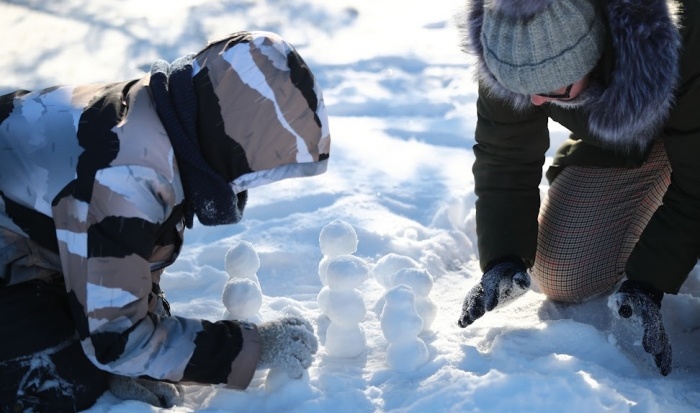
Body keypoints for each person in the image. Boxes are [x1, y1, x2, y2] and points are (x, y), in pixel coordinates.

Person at [0, 30, 330, 411]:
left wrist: (140, 348)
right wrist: (252, 350)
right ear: (232, 143)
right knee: (55, 375)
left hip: (18, 243)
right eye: (256, 172)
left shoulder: (159, 121)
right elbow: (117, 340)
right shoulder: (128, 173)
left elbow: (124, 257)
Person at [456, 0, 700, 376]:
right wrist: (504, 256)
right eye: (521, 87)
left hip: (691, 108)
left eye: (551, 90)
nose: (535, 101)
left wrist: (650, 278)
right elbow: (505, 152)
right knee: (565, 273)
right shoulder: (510, 40)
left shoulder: (686, 36)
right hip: (636, 139)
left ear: (593, 53)